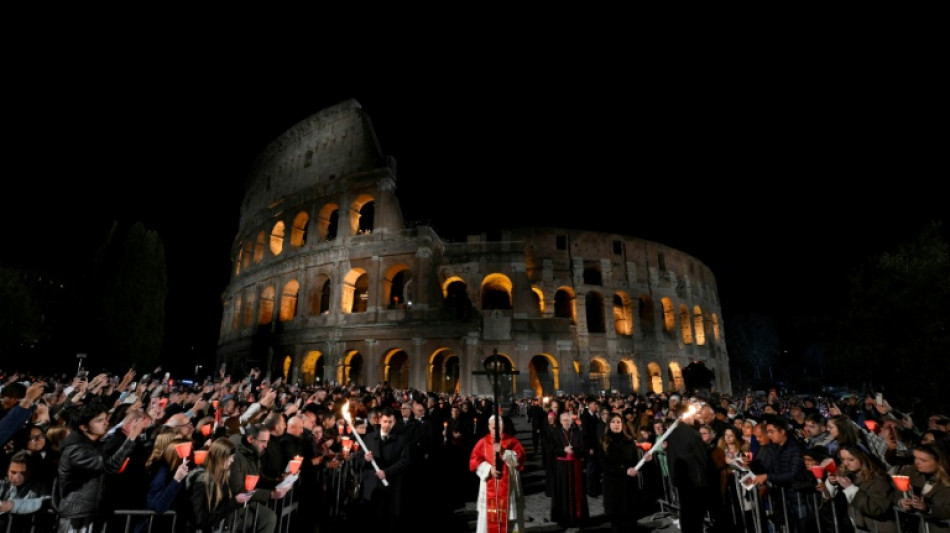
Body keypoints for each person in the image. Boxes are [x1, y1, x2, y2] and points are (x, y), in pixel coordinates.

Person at [54, 399, 147, 533]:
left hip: (89, 512)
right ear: (83, 427)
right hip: (76, 516)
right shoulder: (76, 451)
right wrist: (132, 436)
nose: (106, 423)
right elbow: (110, 465)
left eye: (105, 419)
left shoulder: (91, 444)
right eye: (99, 420)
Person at [354, 406, 409, 533]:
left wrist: (387, 472)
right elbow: (359, 459)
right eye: (384, 421)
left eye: (390, 422)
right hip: (371, 487)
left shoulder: (401, 440)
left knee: (388, 522)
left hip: (390, 487)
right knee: (370, 521)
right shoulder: (369, 437)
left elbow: (404, 461)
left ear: (394, 422)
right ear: (380, 421)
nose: (387, 425)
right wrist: (365, 458)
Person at [819, 444, 897, 533]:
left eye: (851, 459)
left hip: (877, 529)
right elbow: (828, 496)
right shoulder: (847, 474)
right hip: (858, 528)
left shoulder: (878, 480)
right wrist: (832, 483)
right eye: (843, 459)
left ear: (863, 459)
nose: (846, 463)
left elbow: (877, 509)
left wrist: (850, 488)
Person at [469, 414, 525, 533]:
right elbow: (474, 461)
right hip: (489, 485)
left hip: (509, 487)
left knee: (510, 519)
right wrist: (489, 470)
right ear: (489, 427)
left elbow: (519, 460)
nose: (496, 430)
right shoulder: (483, 442)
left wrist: (504, 451)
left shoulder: (512, 441)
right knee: (488, 519)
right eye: (494, 427)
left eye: (499, 427)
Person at [189, 437, 258, 532]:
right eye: (229, 457)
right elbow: (202, 520)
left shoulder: (222, 477)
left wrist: (239, 500)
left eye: (233, 457)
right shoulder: (202, 482)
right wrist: (235, 502)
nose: (232, 460)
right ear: (219, 457)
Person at [227, 423, 284, 533]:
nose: (266, 446)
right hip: (232, 505)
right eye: (263, 441)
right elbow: (238, 488)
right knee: (261, 519)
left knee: (268, 517)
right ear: (250, 439)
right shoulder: (236, 456)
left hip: (247, 502)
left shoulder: (254, 453)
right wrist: (269, 494)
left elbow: (258, 478)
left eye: (267, 442)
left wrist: (278, 483)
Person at [596, 412, 646, 533]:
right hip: (613, 486)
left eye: (618, 422)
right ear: (609, 424)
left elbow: (635, 462)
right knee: (617, 521)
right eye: (613, 422)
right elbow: (604, 465)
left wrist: (646, 460)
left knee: (630, 520)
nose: (616, 425)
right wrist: (624, 471)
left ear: (623, 424)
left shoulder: (629, 441)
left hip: (629, 486)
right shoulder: (603, 442)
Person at [664, 401, 709, 533]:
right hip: (695, 480)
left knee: (686, 510)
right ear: (686, 416)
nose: (694, 417)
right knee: (695, 513)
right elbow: (703, 458)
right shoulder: (692, 434)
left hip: (680, 479)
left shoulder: (672, 433)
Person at [892, 443, 950, 533]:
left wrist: (927, 508)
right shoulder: (910, 473)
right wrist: (901, 502)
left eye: (923, 460)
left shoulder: (946, 483)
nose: (917, 462)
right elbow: (893, 494)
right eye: (916, 458)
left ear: (939, 461)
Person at [549, 410, 589, 529]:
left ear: (571, 421)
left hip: (575, 465)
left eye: (568, 420)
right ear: (561, 422)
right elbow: (552, 448)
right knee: (563, 492)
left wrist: (574, 451)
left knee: (578, 492)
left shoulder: (577, 432)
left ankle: (578, 517)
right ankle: (563, 518)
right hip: (562, 467)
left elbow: (583, 448)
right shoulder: (555, 432)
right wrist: (564, 450)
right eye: (564, 420)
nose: (566, 422)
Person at [0, 450, 50, 533]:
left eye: (22, 473)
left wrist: (12, 505)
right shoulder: (2, 481)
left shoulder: (39, 484)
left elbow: (44, 501)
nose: (16, 477)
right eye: (13, 472)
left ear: (30, 472)